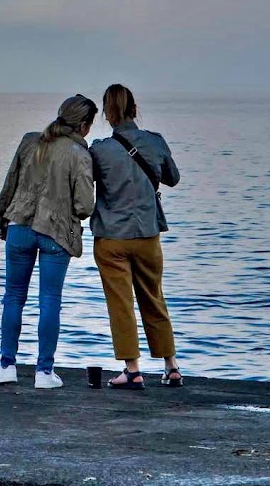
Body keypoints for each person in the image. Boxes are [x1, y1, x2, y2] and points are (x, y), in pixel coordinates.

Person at [0, 94, 97, 388]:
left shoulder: (29, 141)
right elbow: (86, 206)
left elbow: (7, 187)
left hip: (19, 227)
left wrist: (3, 223)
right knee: (49, 301)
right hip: (56, 232)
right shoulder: (79, 154)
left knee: (13, 297)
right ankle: (44, 373)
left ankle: (6, 365)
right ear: (84, 125)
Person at [89, 84, 183, 389]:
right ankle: (171, 366)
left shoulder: (100, 150)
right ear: (134, 108)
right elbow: (173, 178)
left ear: (106, 113)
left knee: (121, 305)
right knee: (154, 298)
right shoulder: (155, 142)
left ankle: (132, 369)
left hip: (111, 238)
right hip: (147, 234)